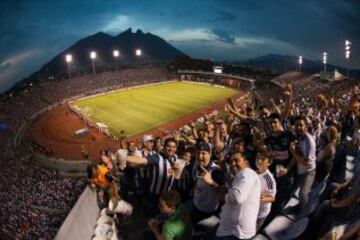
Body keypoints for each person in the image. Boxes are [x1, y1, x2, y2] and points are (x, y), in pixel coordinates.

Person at [216, 153, 261, 239]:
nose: (232, 164)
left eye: (236, 160)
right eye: (231, 161)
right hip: (232, 231)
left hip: (236, 234)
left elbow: (237, 198)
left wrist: (224, 195)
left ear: (246, 163)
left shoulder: (247, 173)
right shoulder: (240, 176)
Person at [278, 116, 316, 213]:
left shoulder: (309, 141)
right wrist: (287, 169)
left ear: (306, 126)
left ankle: (304, 215)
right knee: (298, 192)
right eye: (296, 125)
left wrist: (293, 151)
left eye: (301, 125)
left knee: (303, 194)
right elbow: (298, 156)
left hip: (308, 171)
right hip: (300, 171)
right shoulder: (299, 137)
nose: (298, 127)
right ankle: (299, 208)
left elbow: (306, 163)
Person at [191, 142, 225, 223]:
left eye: (203, 153)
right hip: (196, 204)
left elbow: (223, 196)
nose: (200, 156)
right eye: (198, 153)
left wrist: (211, 183)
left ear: (209, 154)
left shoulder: (215, 171)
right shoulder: (196, 164)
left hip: (208, 212)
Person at [255, 151, 276, 231]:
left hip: (260, 213)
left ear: (269, 162)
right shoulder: (254, 172)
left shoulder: (269, 180)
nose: (259, 161)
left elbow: (272, 198)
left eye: (262, 159)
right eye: (257, 158)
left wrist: (258, 196)